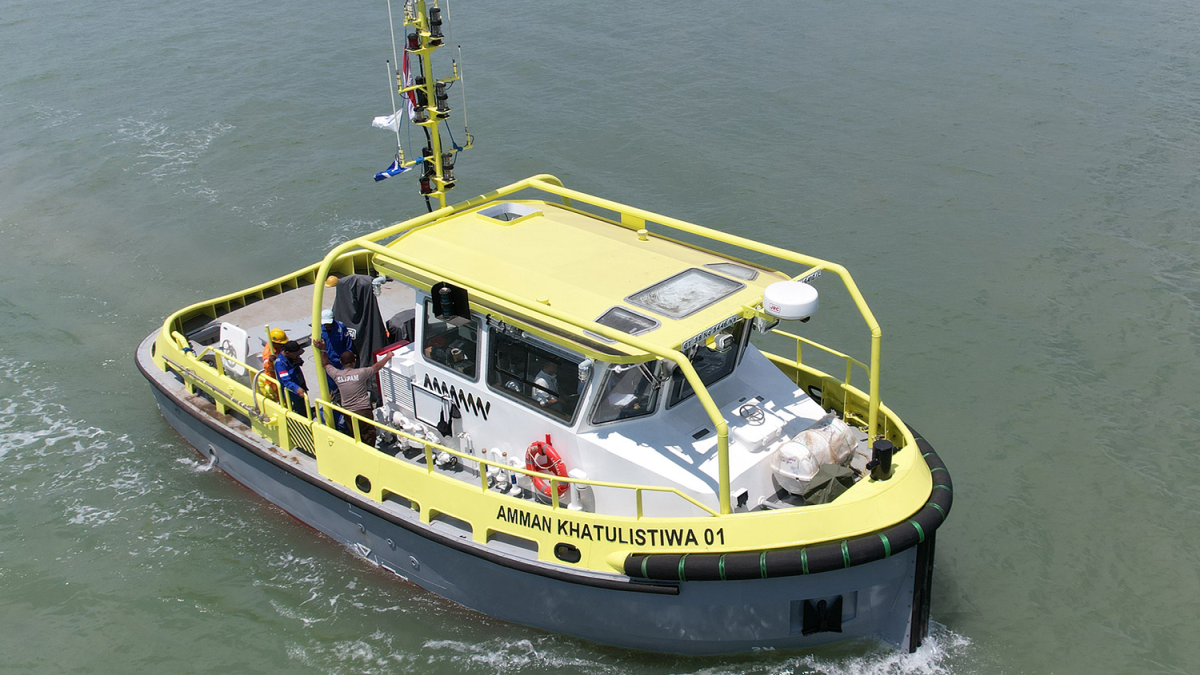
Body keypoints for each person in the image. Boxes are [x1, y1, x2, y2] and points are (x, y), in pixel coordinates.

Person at [315, 338, 393, 447]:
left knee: (355, 436)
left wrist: (322, 349)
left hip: (348, 414)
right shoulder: (361, 373)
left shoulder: (337, 375)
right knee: (369, 435)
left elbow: (325, 365)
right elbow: (377, 367)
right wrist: (388, 356)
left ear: (341, 362)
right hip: (363, 412)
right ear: (354, 361)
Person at [274, 340, 309, 416]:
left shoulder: (292, 357)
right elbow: (286, 381)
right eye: (296, 354)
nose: (298, 356)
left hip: (300, 384)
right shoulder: (280, 364)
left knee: (305, 405)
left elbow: (299, 362)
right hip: (293, 392)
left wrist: (299, 361)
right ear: (287, 352)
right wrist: (296, 389)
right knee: (301, 411)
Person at [258, 328, 288, 401]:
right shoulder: (268, 352)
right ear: (274, 343)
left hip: (281, 372)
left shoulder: (278, 347)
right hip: (274, 377)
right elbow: (267, 368)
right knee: (280, 395)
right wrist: (270, 361)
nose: (283, 345)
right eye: (281, 344)